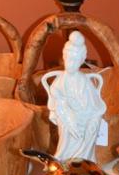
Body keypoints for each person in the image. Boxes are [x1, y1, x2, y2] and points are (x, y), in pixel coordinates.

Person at [41, 31, 107, 162]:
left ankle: (85, 163)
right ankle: (64, 162)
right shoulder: (60, 81)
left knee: (92, 126)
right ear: (64, 57)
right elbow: (57, 102)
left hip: (85, 119)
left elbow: (95, 107)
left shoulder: (85, 81)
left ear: (82, 60)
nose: (71, 63)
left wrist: (93, 120)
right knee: (66, 128)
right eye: (69, 59)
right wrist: (69, 117)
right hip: (67, 121)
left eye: (76, 60)